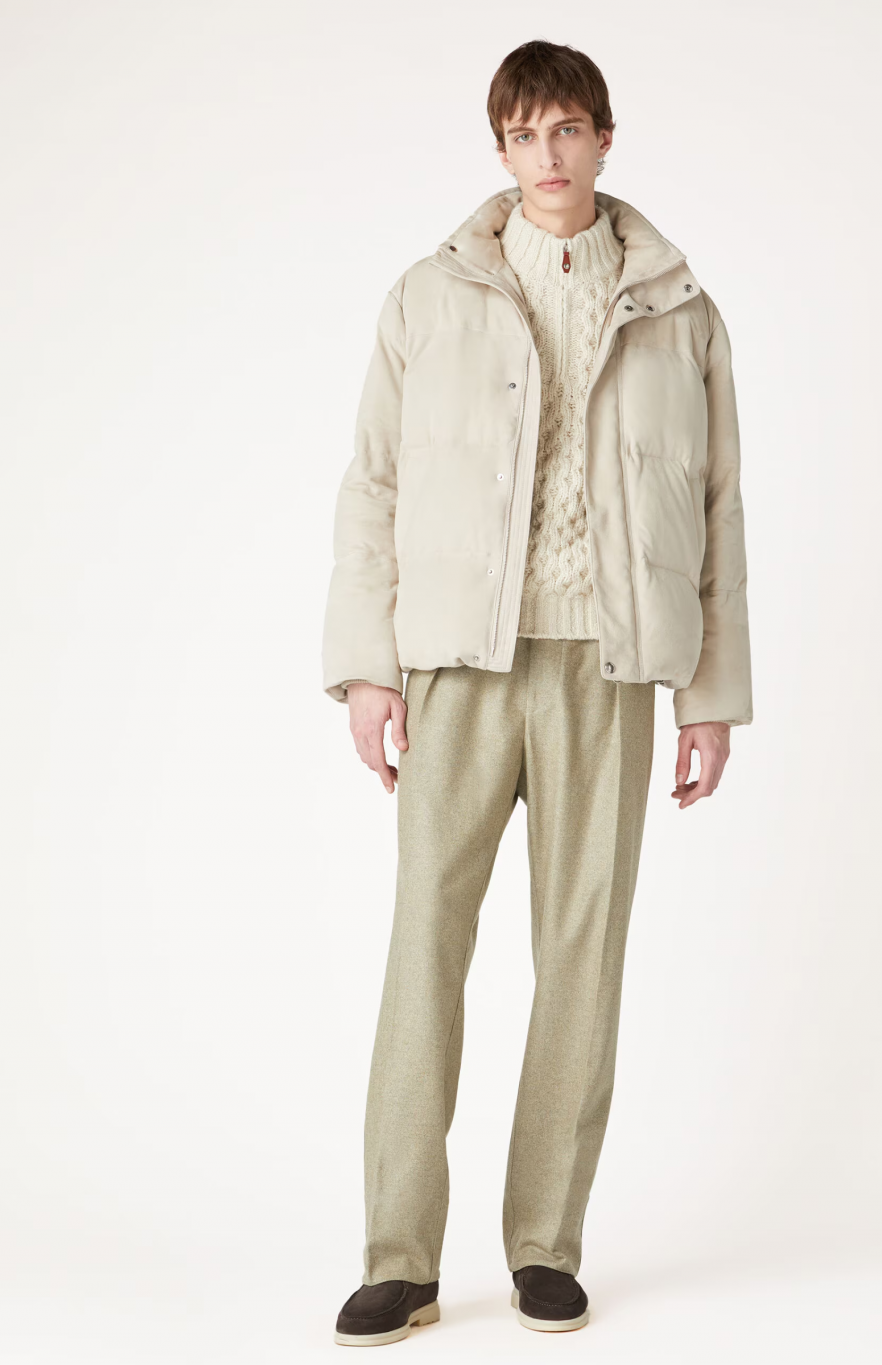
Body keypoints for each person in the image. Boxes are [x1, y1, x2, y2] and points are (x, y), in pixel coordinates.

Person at [323, 38, 752, 1347]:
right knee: (425, 948)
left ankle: (546, 1247)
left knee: (582, 955)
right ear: (500, 148)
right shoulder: (429, 295)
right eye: (524, 134)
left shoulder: (679, 306)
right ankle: (400, 1257)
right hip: (459, 665)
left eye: (568, 129)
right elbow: (372, 487)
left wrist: (712, 693)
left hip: (607, 670)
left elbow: (721, 511)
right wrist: (366, 667)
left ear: (605, 138)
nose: (548, 155)